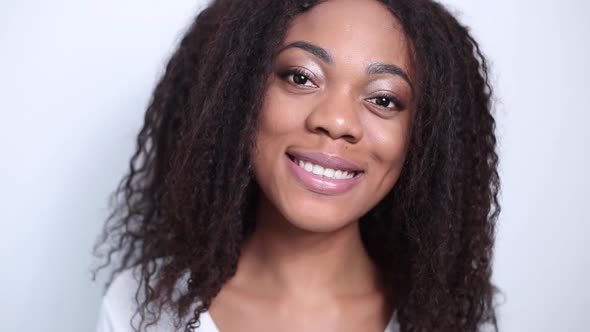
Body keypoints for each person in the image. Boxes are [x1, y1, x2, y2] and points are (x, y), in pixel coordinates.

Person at [92, 0, 500, 331]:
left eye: (384, 99)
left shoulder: (444, 320)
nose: (337, 121)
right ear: (242, 92)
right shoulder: (142, 310)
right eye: (301, 77)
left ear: (424, 139)